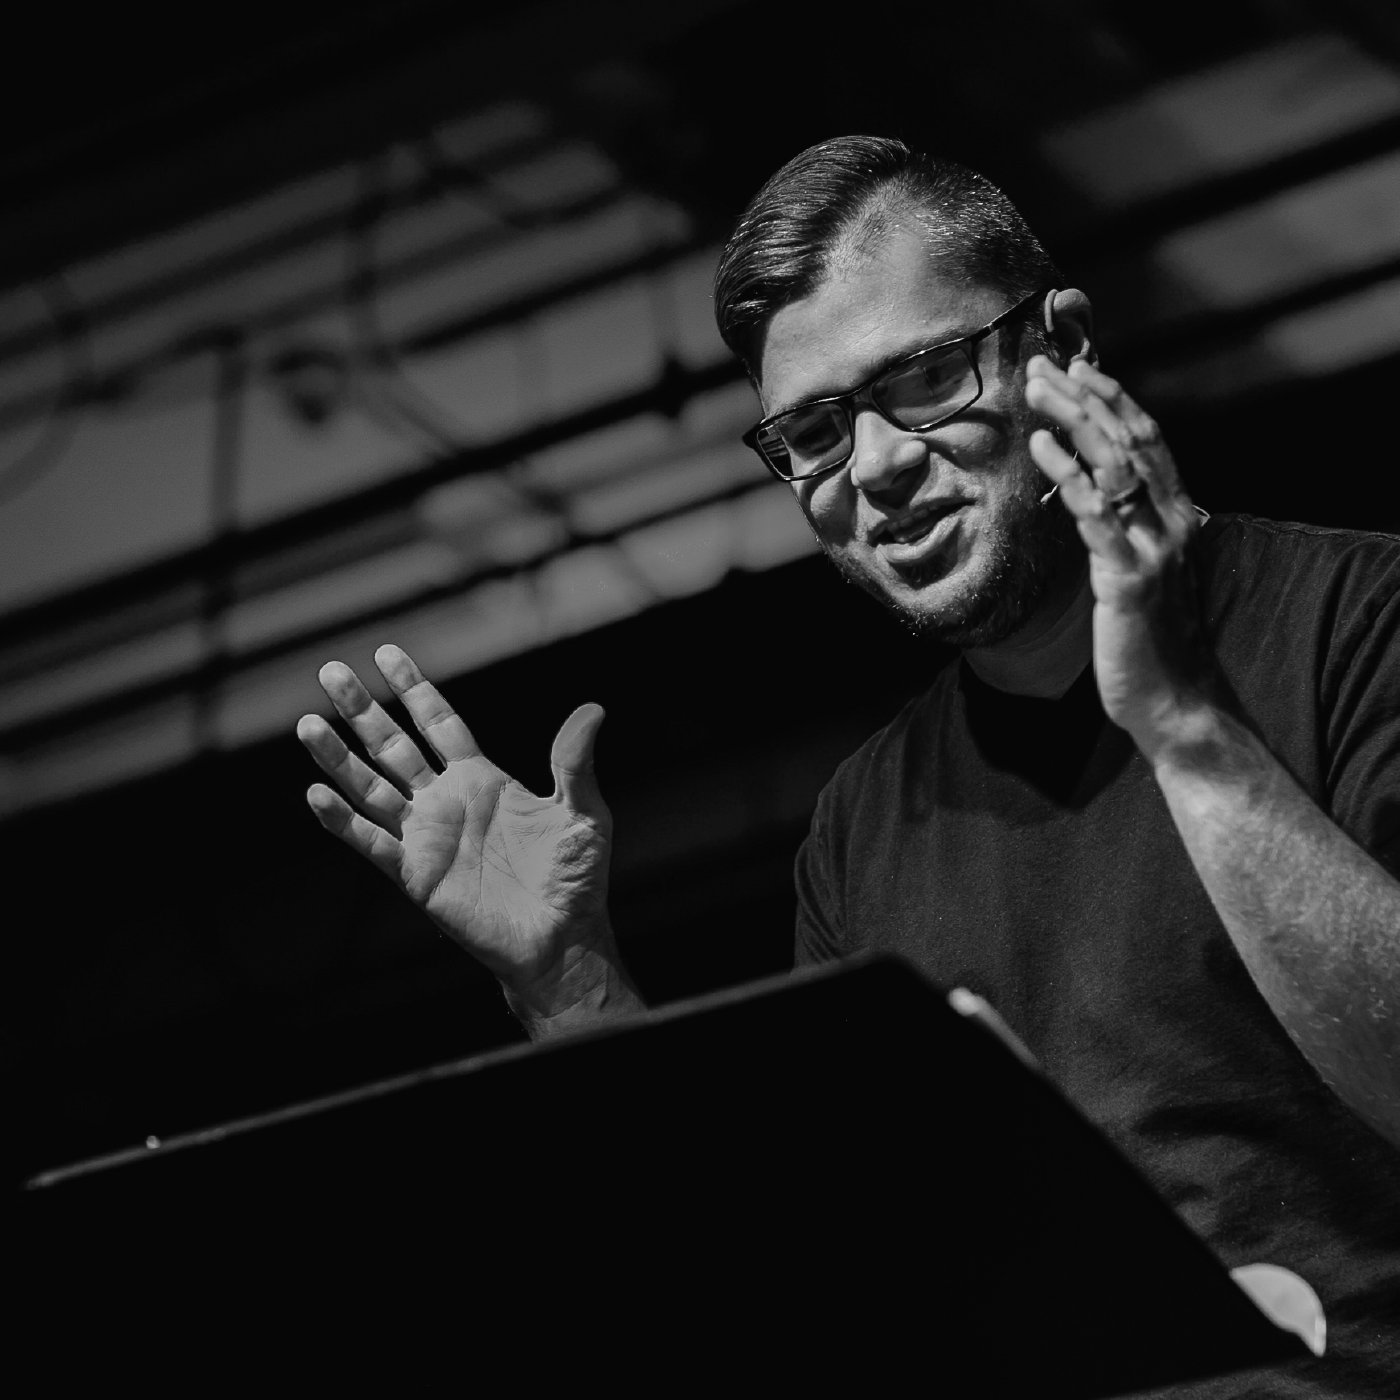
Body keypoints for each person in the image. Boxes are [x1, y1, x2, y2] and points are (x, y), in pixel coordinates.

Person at [297, 136, 1399, 1394]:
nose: (872, 465)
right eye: (814, 430)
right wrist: (569, 985)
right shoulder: (867, 823)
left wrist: (1183, 728)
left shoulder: (1358, 622)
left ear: (1066, 344)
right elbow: (828, 1293)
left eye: (925, 376)